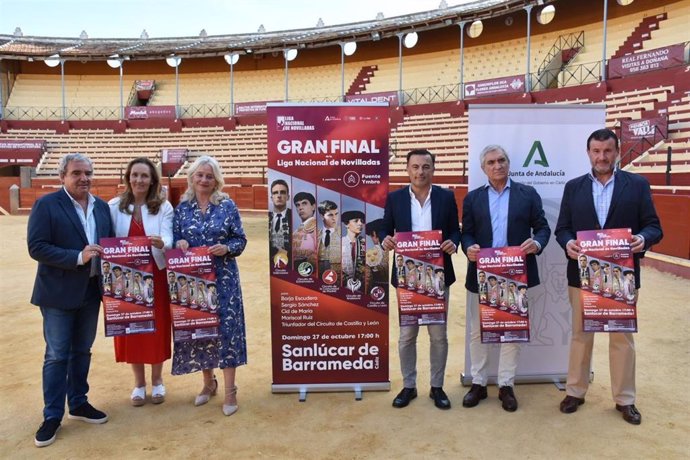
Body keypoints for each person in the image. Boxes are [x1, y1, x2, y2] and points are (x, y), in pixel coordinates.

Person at [555, 128, 663, 425]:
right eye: (596, 151)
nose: (602, 157)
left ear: (617, 152)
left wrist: (643, 238)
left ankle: (625, 399)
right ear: (588, 153)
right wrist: (568, 244)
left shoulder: (638, 185)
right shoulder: (573, 187)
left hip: (622, 277)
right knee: (580, 335)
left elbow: (654, 226)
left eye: (607, 151)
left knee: (621, 338)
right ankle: (575, 392)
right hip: (581, 276)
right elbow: (562, 228)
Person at [27, 153, 113, 447]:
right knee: (56, 355)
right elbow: (36, 246)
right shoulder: (47, 204)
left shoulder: (102, 207)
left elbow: (110, 247)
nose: (83, 178)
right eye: (77, 173)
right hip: (57, 294)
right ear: (62, 176)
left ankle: (78, 402)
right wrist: (77, 257)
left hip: (91, 291)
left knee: (82, 351)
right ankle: (52, 415)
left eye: (88, 172)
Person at [461, 144, 550, 412]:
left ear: (508, 163)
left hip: (516, 273)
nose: (497, 165)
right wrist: (469, 247)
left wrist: (537, 243)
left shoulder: (528, 194)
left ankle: (506, 385)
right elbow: (467, 233)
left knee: (511, 331)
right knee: (478, 332)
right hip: (482, 275)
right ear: (483, 168)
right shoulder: (472, 198)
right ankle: (478, 382)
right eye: (491, 162)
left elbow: (543, 227)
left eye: (501, 160)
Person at [380, 149, 461, 410]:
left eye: (425, 167)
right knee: (407, 335)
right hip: (407, 276)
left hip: (437, 274)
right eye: (415, 167)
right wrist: (386, 239)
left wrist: (453, 242)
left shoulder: (447, 197)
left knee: (438, 335)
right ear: (407, 169)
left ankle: (436, 387)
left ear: (433, 169)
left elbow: (454, 231)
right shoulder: (395, 198)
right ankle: (409, 385)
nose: (420, 172)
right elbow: (385, 227)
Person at [173, 155, 248, 417]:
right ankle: (208, 383)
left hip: (224, 277)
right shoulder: (182, 208)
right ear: (192, 177)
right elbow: (175, 238)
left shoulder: (227, 205)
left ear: (216, 179)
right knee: (201, 329)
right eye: (200, 175)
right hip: (195, 279)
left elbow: (240, 239)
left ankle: (230, 391)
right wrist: (180, 244)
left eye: (209, 175)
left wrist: (227, 247)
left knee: (227, 330)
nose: (204, 179)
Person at [108, 157, 174, 407]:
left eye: (144, 176)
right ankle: (138, 384)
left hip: (154, 274)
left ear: (152, 180)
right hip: (124, 277)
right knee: (131, 327)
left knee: (155, 327)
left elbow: (168, 235)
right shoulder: (114, 205)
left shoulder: (163, 206)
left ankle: (157, 381)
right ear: (128, 178)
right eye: (135, 175)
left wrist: (162, 243)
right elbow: (107, 237)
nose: (139, 180)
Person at [292, 191, 318, 270]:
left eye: (304, 203)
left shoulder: (317, 228)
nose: (300, 207)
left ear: (313, 206)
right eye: (297, 205)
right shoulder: (295, 231)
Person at [268, 179, 291, 268]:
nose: (279, 196)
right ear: (271, 198)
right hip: (271, 262)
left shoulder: (294, 216)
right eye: (275, 193)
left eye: (282, 192)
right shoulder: (267, 217)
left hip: (291, 262)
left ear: (288, 197)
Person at [341, 210, 366, 291]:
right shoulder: (339, 243)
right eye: (356, 221)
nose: (360, 223)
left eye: (362, 221)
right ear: (346, 224)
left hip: (361, 287)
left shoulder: (364, 243)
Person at [317, 200, 341, 275]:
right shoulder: (315, 235)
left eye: (336, 214)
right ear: (322, 216)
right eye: (330, 215)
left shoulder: (343, 234)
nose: (335, 218)